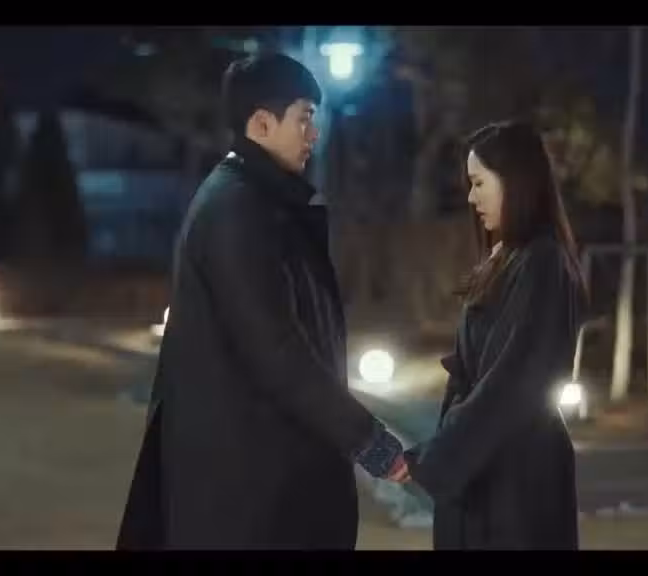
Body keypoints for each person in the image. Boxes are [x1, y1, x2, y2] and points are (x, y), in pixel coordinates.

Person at [115, 52, 408, 551]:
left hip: (261, 480)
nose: (313, 134)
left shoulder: (257, 202)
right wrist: (369, 441)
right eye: (304, 118)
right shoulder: (236, 209)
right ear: (262, 124)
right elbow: (276, 349)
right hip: (248, 493)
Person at [403, 120, 588, 550]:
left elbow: (514, 380)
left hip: (517, 482)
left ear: (515, 182)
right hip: (487, 471)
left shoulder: (542, 263)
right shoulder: (507, 257)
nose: (471, 198)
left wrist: (437, 458)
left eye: (479, 183)